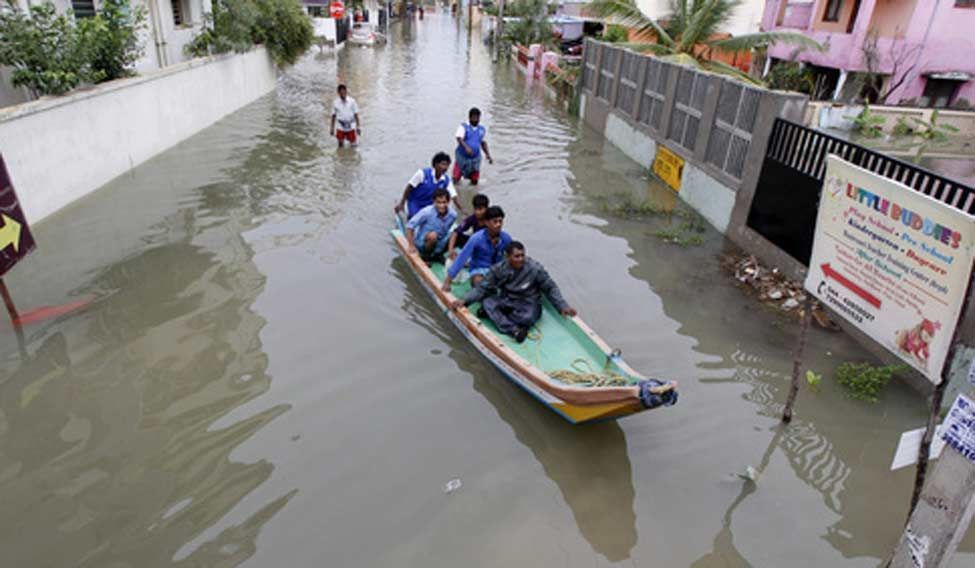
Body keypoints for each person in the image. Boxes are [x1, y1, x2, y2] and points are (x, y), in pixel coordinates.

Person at [449, 241, 573, 343]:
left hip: (528, 303)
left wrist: (562, 306)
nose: (521, 259)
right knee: (488, 302)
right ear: (508, 257)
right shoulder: (499, 269)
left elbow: (550, 288)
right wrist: (464, 300)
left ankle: (498, 317)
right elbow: (483, 287)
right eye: (516, 256)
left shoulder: (535, 268)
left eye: (522, 255)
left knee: (528, 318)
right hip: (508, 300)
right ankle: (514, 330)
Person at [442, 205, 510, 291]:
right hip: (480, 270)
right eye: (495, 222)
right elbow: (462, 258)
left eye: (500, 221)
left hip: (497, 270)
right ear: (487, 222)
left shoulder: (506, 238)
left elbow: (510, 257)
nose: (498, 225)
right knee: (478, 282)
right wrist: (448, 281)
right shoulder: (476, 238)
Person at [395, 152, 464, 219]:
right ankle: (410, 216)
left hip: (430, 205)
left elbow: (454, 196)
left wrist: (462, 209)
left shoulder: (446, 180)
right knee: (417, 219)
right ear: (436, 164)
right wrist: (402, 203)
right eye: (443, 164)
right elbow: (409, 188)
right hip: (416, 202)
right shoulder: (422, 174)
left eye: (447, 165)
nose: (445, 167)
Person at [405, 188, 456, 261]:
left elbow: (448, 230)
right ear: (434, 202)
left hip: (439, 244)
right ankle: (426, 256)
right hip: (423, 243)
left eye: (444, 202)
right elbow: (410, 226)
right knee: (433, 236)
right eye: (438, 202)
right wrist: (411, 245)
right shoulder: (427, 212)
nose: (441, 205)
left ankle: (438, 253)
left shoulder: (453, 215)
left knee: (457, 234)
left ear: (448, 202)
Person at [453, 107, 493, 185]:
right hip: (462, 157)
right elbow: (459, 138)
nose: (476, 119)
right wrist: (466, 147)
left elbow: (483, 143)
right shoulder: (464, 127)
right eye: (474, 117)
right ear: (470, 117)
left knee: (475, 180)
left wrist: (488, 154)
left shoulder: (481, 129)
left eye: (478, 117)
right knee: (456, 178)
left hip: (475, 158)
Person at [446, 193, 489, 260]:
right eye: (476, 209)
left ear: (486, 209)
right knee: (458, 236)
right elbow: (455, 232)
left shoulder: (491, 220)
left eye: (480, 209)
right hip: (475, 242)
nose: (477, 212)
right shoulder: (472, 218)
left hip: (486, 245)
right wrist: (450, 250)